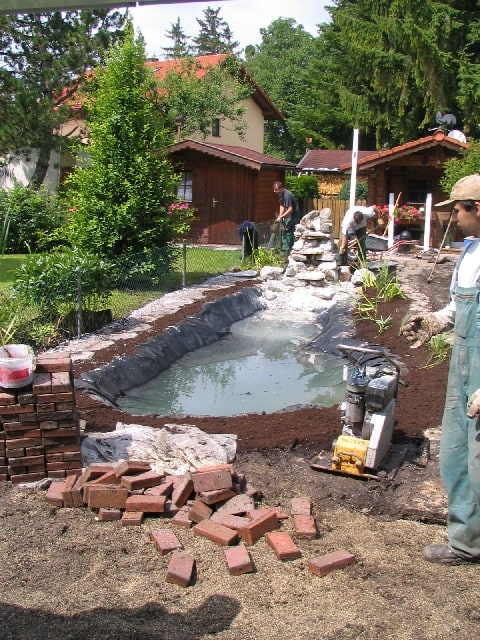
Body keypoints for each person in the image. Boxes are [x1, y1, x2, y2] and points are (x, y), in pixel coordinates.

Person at [400, 173, 480, 564]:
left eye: (458, 210)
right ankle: (467, 543)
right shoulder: (470, 253)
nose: (454, 219)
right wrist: (434, 321)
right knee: (455, 453)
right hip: (464, 366)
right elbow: (457, 306)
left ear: (477, 209)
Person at [273, 181, 300, 253]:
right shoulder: (280, 194)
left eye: (277, 191)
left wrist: (282, 216)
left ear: (281, 188)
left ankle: (287, 252)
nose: (275, 192)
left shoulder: (287, 195)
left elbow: (290, 209)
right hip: (287, 216)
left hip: (293, 216)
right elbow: (282, 205)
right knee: (284, 231)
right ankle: (284, 250)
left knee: (288, 232)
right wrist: (280, 216)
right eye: (275, 191)